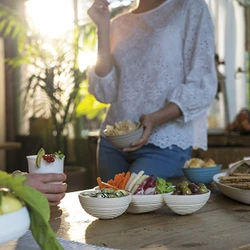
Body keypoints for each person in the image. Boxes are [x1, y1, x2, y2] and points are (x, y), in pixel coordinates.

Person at [87, 0, 218, 182]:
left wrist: (154, 119)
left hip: (165, 144)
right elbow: (105, 92)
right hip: (113, 145)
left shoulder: (190, 7)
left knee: (136, 201)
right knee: (111, 207)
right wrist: (102, 27)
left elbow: (202, 85)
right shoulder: (117, 23)